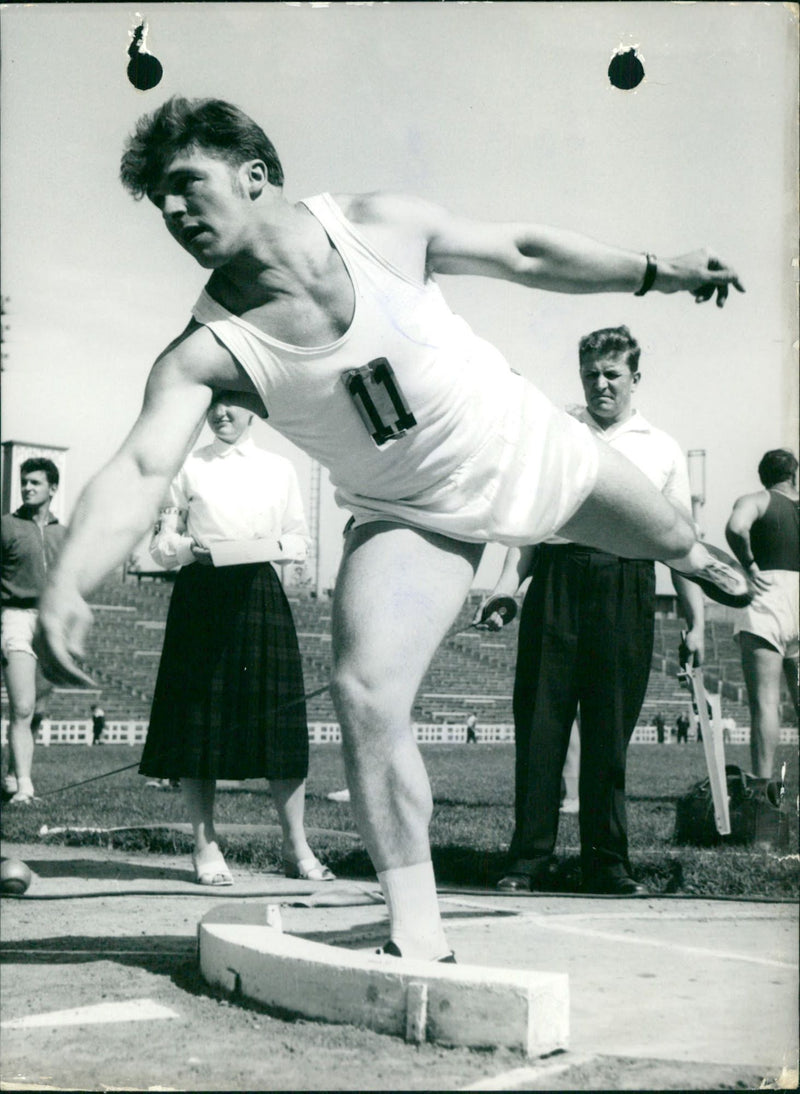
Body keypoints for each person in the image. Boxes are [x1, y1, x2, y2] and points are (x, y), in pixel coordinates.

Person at [35, 96, 749, 959]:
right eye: (160, 202)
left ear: (254, 175)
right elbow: (143, 468)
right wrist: (70, 578)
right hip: (410, 514)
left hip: (525, 445)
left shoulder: (378, 224)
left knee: (680, 541)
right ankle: (418, 933)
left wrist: (659, 269)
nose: (175, 212)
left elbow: (523, 250)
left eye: (186, 185)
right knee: (366, 690)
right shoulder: (207, 350)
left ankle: (735, 578)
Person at [483, 326, 707, 896]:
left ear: (636, 378)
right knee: (540, 726)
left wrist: (696, 619)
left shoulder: (661, 447)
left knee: (609, 730)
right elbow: (531, 527)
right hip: (557, 579)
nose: (601, 384)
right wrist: (509, 587)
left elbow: (680, 543)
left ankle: (607, 864)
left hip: (626, 582)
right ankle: (527, 861)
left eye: (612, 374)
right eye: (591, 374)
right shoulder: (557, 433)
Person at [141, 392, 334, 885]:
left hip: (259, 594)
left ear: (254, 409)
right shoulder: (188, 466)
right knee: (198, 721)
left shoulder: (279, 468)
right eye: (213, 404)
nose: (221, 413)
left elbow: (298, 540)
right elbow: (162, 545)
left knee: (280, 721)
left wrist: (264, 547)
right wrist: (189, 548)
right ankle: (205, 846)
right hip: (201, 596)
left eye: (232, 403)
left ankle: (296, 847)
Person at [725, 449, 799, 778]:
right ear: (794, 475)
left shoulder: (756, 499)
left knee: (767, 702)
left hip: (769, 592)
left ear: (763, 477)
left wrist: (749, 565)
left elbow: (736, 528)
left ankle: (764, 790)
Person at [2, 458, 67, 803]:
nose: (27, 487)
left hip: (50, 623)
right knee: (22, 707)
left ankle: (13, 774)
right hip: (15, 616)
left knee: (37, 709)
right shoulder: (6, 527)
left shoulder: (62, 532)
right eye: (24, 482)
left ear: (53, 488)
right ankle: (25, 788)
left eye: (35, 483)